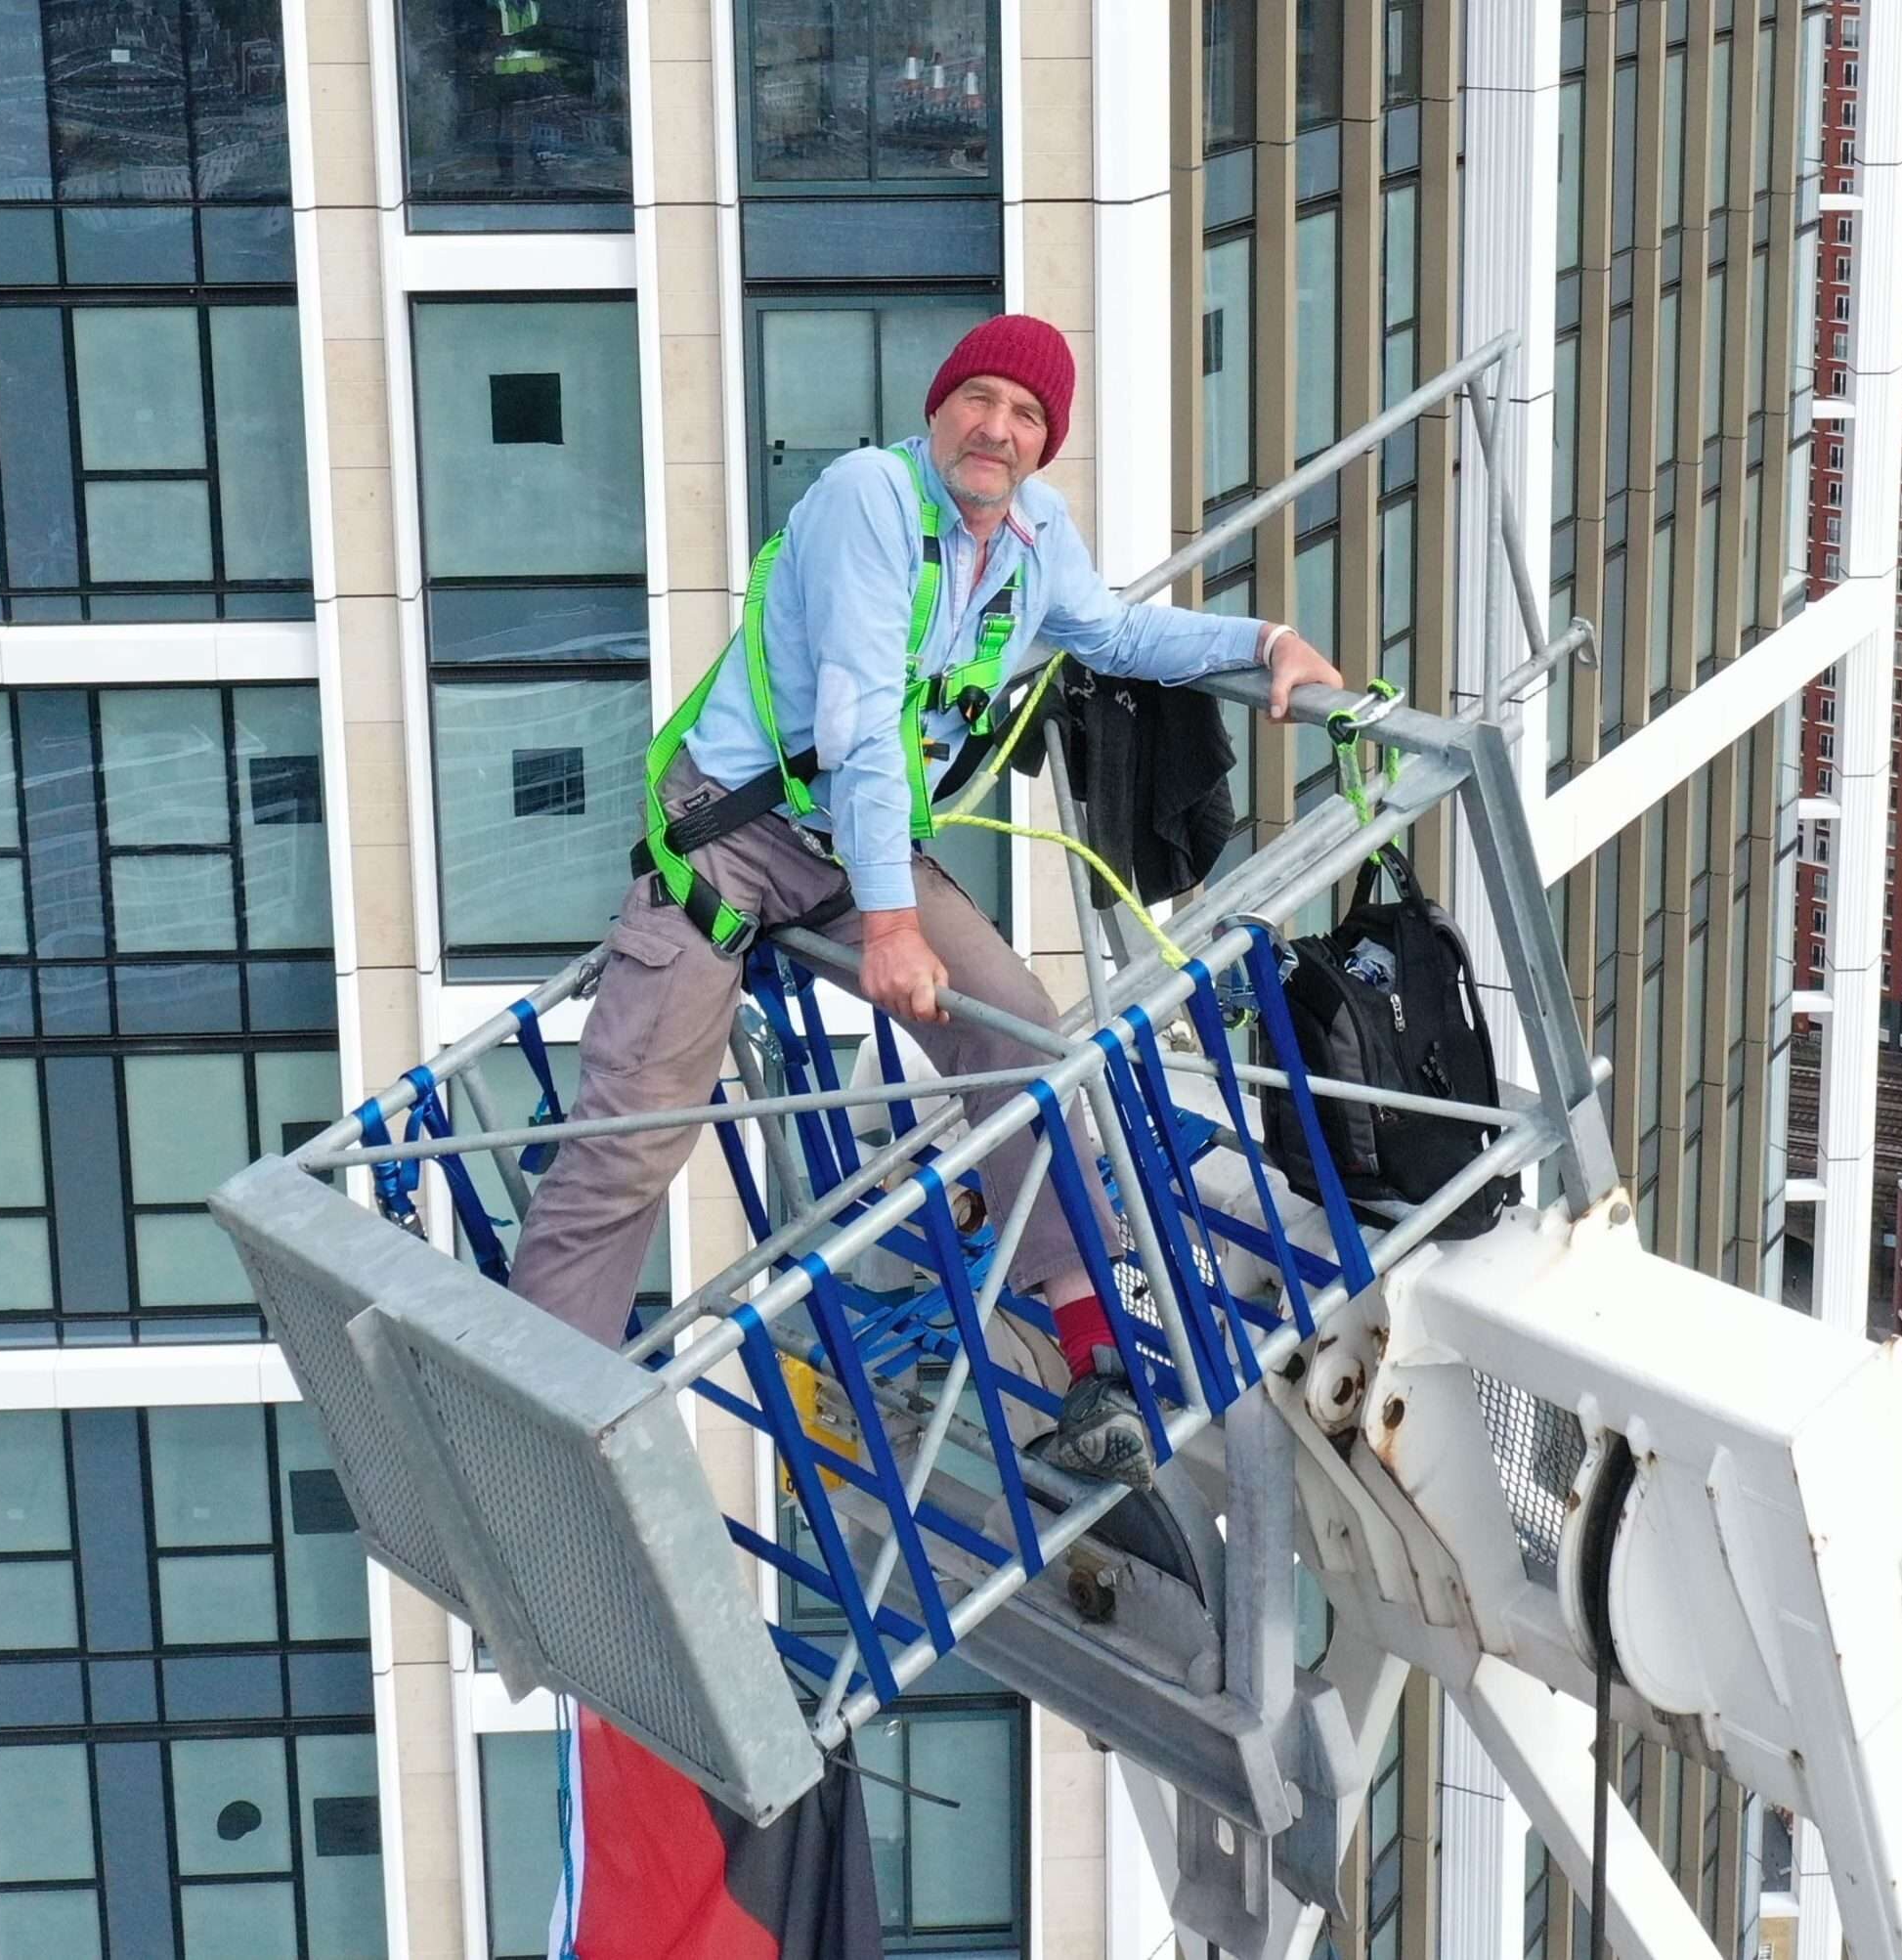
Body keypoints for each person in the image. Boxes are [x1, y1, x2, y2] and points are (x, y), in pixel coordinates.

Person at [508, 314, 1342, 1489]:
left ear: (1045, 445)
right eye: (981, 399)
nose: (997, 429)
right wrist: (892, 926)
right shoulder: (868, 499)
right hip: (736, 839)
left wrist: (1265, 638)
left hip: (863, 849)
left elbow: (1115, 631)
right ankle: (536, 1428)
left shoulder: (1033, 538)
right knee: (636, 1130)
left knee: (1021, 1031)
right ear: (940, 405)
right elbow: (856, 717)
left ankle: (1092, 1349)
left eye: (1026, 416)